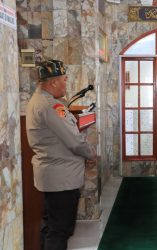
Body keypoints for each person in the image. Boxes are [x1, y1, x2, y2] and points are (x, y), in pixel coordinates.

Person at [26, 60, 96, 250]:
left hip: (52, 174)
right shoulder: (50, 105)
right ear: (53, 82)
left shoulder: (39, 100)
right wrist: (90, 154)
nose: (66, 84)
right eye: (65, 80)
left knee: (50, 226)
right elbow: (74, 140)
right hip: (61, 178)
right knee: (59, 231)